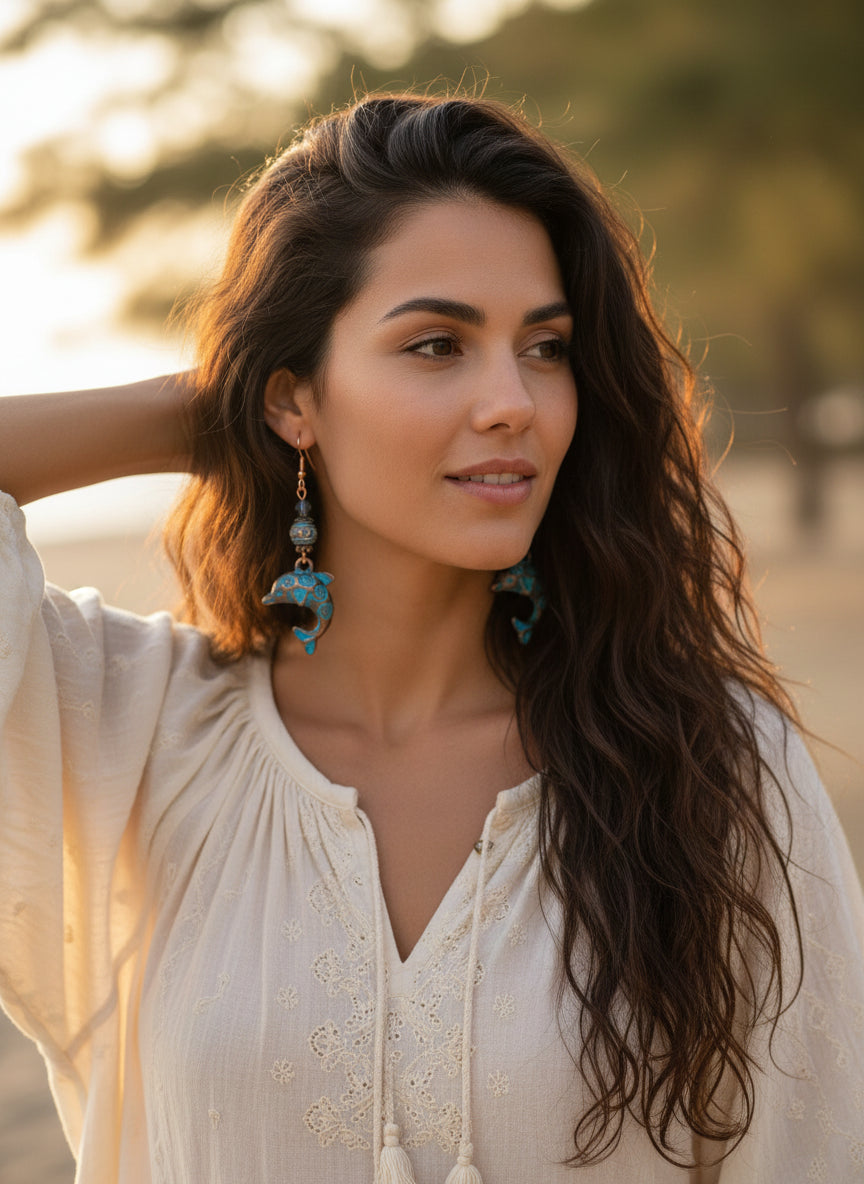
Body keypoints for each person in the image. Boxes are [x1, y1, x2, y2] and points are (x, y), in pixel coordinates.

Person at [1, 92, 862, 1184]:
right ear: (293, 398)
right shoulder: (134, 727)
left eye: (546, 347)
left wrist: (302, 398)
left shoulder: (710, 758)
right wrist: (208, 409)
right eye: (437, 344)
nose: (514, 402)